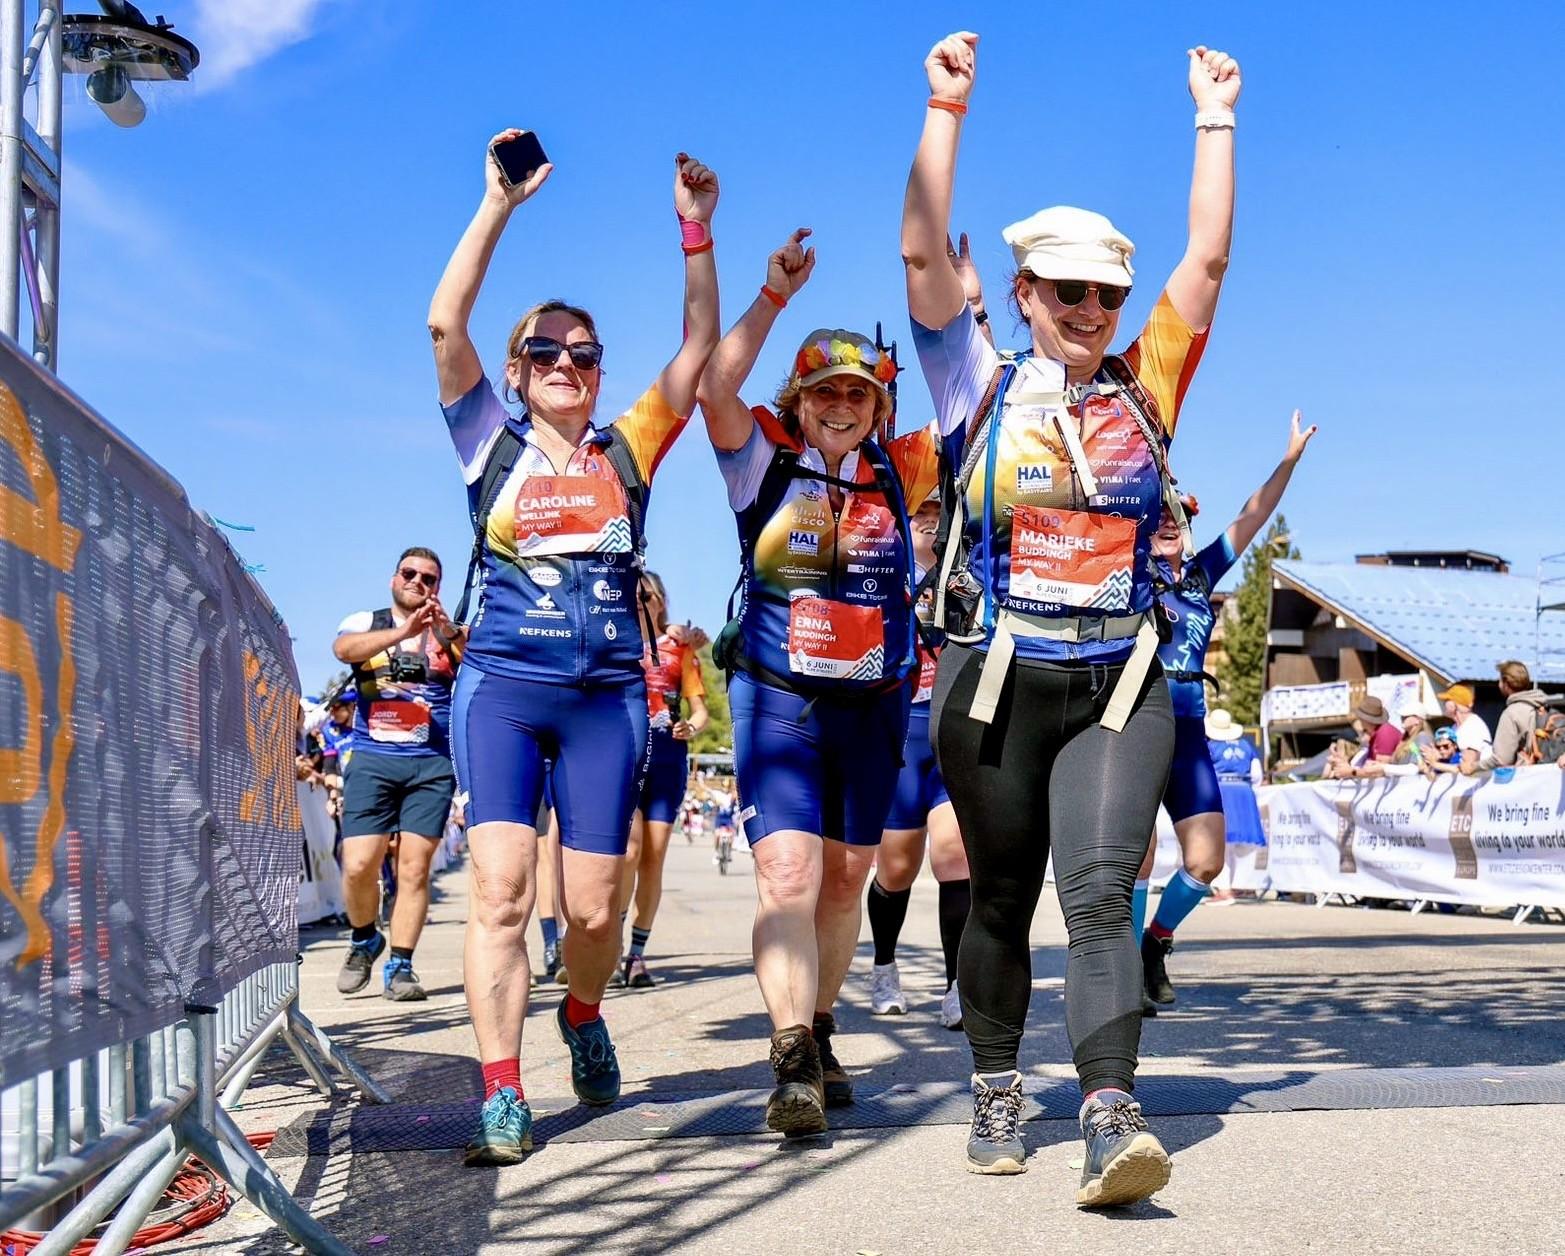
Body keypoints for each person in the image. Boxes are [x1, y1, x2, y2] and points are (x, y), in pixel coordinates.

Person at [902, 31, 1238, 1205]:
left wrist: (1214, 117)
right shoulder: (974, 384)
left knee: (1101, 891)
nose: (1094, 307)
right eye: (1070, 291)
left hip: (1118, 679)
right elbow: (914, 251)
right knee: (999, 890)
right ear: (1025, 295)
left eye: (1107, 292)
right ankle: (996, 1078)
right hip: (992, 679)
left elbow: (1202, 259)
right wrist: (944, 112)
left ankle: (1106, 1113)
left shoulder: (1145, 384)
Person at [428, 133, 720, 1165]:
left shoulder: (627, 447)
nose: (564, 364)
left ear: (597, 374)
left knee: (591, 908)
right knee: (502, 890)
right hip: (503, 688)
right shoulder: (486, 445)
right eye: (545, 353)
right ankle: (502, 1090)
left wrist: (696, 232)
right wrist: (497, 203)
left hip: (603, 699)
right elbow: (442, 320)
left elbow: (695, 348)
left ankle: (584, 1012)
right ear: (516, 372)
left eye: (582, 353)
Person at [696, 228, 941, 1138]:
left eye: (857, 393)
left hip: (874, 704)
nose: (841, 405)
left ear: (876, 406)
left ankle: (824, 1024)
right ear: (798, 401)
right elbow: (712, 387)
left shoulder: (900, 465)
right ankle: (791, 1053)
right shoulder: (759, 456)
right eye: (825, 391)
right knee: (789, 875)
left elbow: (970, 402)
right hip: (779, 698)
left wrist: (968, 306)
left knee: (846, 881)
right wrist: (771, 299)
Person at [1136, 411, 1315, 1007]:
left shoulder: (1203, 572)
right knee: (1137, 857)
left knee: (1207, 859)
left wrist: (1287, 460)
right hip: (1132, 723)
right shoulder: (1124, 574)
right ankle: (1123, 972)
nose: (1168, 525)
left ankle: (1153, 944)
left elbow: (1254, 515)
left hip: (1188, 727)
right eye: (1157, 517)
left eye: (1177, 517)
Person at [331, 547, 464, 1003]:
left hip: (430, 763)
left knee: (413, 869)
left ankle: (401, 964)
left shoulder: (447, 636)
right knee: (358, 866)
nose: (417, 582)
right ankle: (365, 938)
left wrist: (446, 634)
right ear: (394, 578)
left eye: (428, 578)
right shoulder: (366, 622)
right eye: (409, 573)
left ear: (437, 587)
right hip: (372, 758)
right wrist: (402, 632)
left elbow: (479, 665)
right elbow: (343, 650)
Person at [866, 493, 971, 1030]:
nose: (930, 524)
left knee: (955, 857)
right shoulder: (888, 569)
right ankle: (884, 967)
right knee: (897, 867)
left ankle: (957, 985)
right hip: (903, 726)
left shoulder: (966, 568)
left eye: (937, 515)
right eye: (919, 516)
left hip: (953, 724)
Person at [616, 573, 710, 987]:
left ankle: (636, 954)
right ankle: (610, 944)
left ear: (661, 601)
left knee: (653, 858)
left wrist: (691, 726)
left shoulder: (680, 650)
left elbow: (700, 710)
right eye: (632, 594)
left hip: (668, 755)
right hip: (624, 754)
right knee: (628, 851)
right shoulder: (614, 640)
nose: (639, 601)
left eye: (647, 595)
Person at [1478, 661, 1555, 769]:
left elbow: (1502, 759)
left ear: (1505, 683)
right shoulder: (1543, 705)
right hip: (1553, 776)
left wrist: (1474, 766)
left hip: (1527, 779)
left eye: (1499, 680)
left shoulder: (1512, 713)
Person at [1430, 684, 1493, 775]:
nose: (1444, 703)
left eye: (1447, 700)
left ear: (1454, 705)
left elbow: (1468, 765)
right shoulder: (1455, 727)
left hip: (1477, 783)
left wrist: (1436, 764)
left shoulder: (1473, 726)